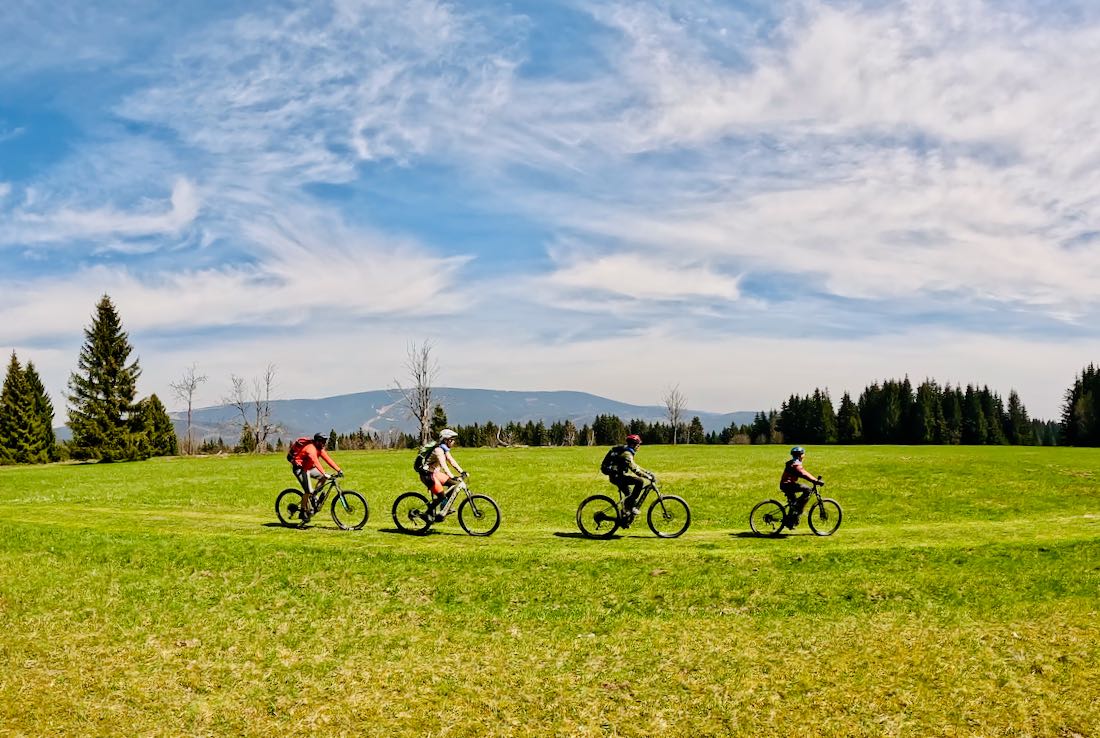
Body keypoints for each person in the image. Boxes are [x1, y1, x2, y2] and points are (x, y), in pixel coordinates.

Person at [288, 432, 342, 522]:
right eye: (323, 441)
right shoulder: (311, 449)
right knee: (308, 490)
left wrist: (338, 470)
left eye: (325, 441)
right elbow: (316, 462)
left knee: (323, 478)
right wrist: (324, 473)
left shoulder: (319, 448)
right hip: (300, 469)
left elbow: (328, 459)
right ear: (318, 441)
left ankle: (314, 496)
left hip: (309, 468)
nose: (324, 443)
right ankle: (302, 511)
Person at [417, 428, 467, 521]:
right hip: (427, 475)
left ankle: (444, 508)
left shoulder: (444, 449)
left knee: (454, 484)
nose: (453, 442)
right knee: (441, 496)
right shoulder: (438, 450)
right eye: (452, 440)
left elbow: (451, 461)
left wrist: (462, 471)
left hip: (435, 473)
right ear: (446, 440)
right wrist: (452, 476)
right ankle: (426, 514)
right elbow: (444, 465)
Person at [600, 434, 654, 516]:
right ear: (633, 444)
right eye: (638, 444)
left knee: (630, 497)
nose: (639, 446)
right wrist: (648, 477)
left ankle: (625, 515)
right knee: (639, 481)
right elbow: (635, 470)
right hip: (617, 477)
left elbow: (635, 465)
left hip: (617, 476)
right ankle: (629, 509)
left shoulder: (627, 451)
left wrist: (647, 472)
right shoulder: (627, 454)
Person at [780, 446, 823, 526]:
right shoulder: (796, 465)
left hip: (786, 485)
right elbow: (804, 474)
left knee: (793, 503)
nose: (804, 456)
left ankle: (790, 522)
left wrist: (814, 480)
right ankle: (798, 508)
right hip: (788, 485)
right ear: (800, 455)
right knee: (808, 490)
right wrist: (815, 481)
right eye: (803, 454)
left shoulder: (793, 462)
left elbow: (804, 472)